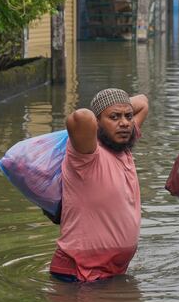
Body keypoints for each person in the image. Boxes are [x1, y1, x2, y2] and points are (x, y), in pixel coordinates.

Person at [49, 88, 149, 282]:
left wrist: (115, 105)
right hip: (78, 276)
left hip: (113, 274)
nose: (125, 123)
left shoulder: (124, 146)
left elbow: (143, 101)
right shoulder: (87, 154)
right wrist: (107, 105)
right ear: (97, 124)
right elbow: (80, 117)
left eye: (129, 116)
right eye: (114, 117)